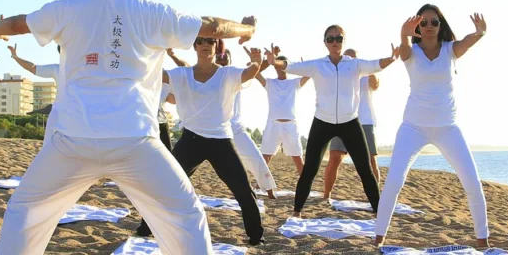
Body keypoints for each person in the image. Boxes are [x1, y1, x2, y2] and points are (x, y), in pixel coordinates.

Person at [0, 0, 258, 255]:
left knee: (25, 208)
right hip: (134, 140)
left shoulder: (67, 8)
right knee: (185, 211)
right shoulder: (151, 12)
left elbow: (17, 23)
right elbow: (213, 26)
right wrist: (246, 31)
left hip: (73, 139)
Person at [374, 7, 490, 248]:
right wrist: (404, 33)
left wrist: (480, 32)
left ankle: (483, 240)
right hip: (413, 127)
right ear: (417, 26)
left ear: (440, 25)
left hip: (448, 128)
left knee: (472, 181)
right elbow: (403, 50)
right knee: (394, 181)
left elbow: (467, 42)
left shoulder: (450, 50)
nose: (429, 26)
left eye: (434, 22)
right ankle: (378, 238)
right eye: (424, 22)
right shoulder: (411, 52)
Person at [136, 38, 265, 243]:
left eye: (210, 41)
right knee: (166, 184)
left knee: (243, 188)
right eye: (200, 41)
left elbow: (249, 72)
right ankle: (146, 227)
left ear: (216, 46)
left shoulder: (227, 74)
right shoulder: (182, 74)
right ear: (194, 46)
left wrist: (257, 61)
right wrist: (144, 51)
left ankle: (256, 235)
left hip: (221, 140)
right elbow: (154, 74)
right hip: (191, 140)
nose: (205, 44)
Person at [266, 26, 398, 217]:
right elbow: (291, 66)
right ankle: (296, 212)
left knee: (365, 169)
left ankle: (379, 213)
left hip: (350, 122)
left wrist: (392, 58)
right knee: (310, 170)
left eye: (339, 38)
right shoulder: (317, 65)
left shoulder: (355, 64)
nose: (335, 42)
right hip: (323, 122)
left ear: (344, 41)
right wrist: (274, 62)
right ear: (325, 42)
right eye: (330, 39)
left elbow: (375, 64)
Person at [163, 45, 278, 199]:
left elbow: (255, 70)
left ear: (230, 60)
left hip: (235, 128)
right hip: (213, 130)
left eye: (225, 58)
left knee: (256, 158)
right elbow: (186, 69)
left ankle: (269, 191)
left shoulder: (233, 75)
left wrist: (267, 61)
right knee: (177, 172)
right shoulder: (206, 75)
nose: (222, 60)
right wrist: (173, 55)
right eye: (220, 57)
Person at [323, 48, 382, 200]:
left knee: (370, 160)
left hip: (365, 121)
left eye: (352, 58)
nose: (349, 60)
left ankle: (375, 196)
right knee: (334, 158)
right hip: (340, 121)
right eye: (347, 57)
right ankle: (326, 194)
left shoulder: (366, 75)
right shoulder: (337, 75)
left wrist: (370, 69)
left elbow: (375, 85)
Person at [257, 45, 309, 175]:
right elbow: (255, 73)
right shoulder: (270, 83)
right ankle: (259, 184)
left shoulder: (294, 83)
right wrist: (270, 60)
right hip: (273, 125)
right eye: (277, 65)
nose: (280, 68)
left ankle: (305, 185)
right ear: (275, 67)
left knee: (298, 160)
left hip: (290, 125)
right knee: (265, 158)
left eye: (283, 65)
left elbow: (308, 75)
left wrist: (304, 67)